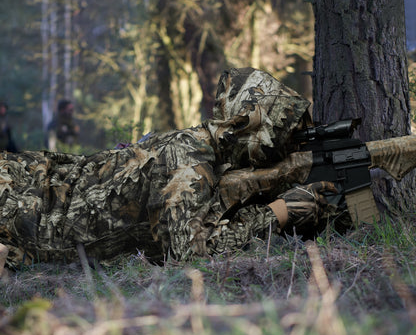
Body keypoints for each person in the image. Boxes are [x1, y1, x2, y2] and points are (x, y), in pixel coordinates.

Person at [0, 68, 337, 272]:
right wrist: (277, 213)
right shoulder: (186, 163)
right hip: (23, 208)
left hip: (29, 184)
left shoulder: (194, 144)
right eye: (281, 136)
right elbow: (188, 257)